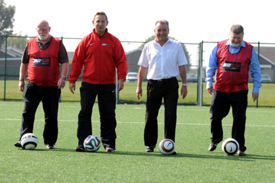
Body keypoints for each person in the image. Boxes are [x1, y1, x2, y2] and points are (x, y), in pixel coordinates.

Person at [69, 12, 127, 152]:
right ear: (93, 23)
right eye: (97, 21)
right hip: (89, 84)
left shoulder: (114, 41)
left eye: (102, 21)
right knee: (84, 113)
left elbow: (121, 61)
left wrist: (121, 78)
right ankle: (83, 142)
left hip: (107, 85)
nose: (100, 24)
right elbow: (77, 61)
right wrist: (72, 79)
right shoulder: (86, 40)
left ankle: (109, 144)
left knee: (108, 114)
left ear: (107, 23)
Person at [206, 24, 262, 156]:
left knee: (239, 118)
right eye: (234, 37)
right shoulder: (219, 46)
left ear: (243, 36)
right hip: (220, 90)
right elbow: (211, 67)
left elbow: (255, 70)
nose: (236, 40)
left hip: (240, 90)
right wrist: (209, 83)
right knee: (215, 116)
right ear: (229, 35)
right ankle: (215, 140)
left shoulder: (249, 49)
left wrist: (256, 88)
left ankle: (239, 146)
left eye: (239, 38)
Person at [14, 20, 69, 149]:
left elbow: (65, 62)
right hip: (32, 85)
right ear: (36, 29)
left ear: (49, 29)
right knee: (27, 113)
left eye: (44, 29)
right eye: (40, 29)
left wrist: (63, 77)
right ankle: (24, 139)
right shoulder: (30, 43)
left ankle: (50, 142)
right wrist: (21, 80)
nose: (42, 32)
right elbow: (24, 63)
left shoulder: (58, 43)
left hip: (51, 87)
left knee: (51, 115)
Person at [136, 20, 188, 154]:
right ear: (155, 31)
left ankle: (169, 144)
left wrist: (185, 84)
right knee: (151, 115)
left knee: (171, 115)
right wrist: (139, 86)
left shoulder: (176, 46)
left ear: (168, 31)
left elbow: (182, 66)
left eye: (164, 30)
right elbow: (143, 68)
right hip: (153, 84)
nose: (162, 32)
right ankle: (150, 144)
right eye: (159, 30)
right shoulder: (148, 46)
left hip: (171, 84)